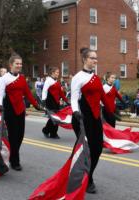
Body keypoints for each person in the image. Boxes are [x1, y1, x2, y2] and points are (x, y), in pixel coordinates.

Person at [71, 47, 112, 194]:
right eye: (92, 58)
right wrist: (76, 112)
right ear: (84, 59)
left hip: (95, 118)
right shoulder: (78, 77)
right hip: (81, 118)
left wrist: (113, 111)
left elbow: (102, 96)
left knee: (98, 149)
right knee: (86, 151)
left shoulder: (95, 77)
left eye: (96, 58)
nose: (95, 60)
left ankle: (88, 175)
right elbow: (74, 98)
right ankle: (86, 179)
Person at [0, 54, 40, 171]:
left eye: (20, 64)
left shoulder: (22, 78)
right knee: (13, 135)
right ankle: (14, 160)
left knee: (20, 135)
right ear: (11, 65)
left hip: (20, 109)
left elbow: (27, 93)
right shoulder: (4, 78)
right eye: (17, 63)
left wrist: (36, 105)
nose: (19, 65)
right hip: (9, 109)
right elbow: (0, 94)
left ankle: (13, 155)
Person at [42, 67, 69, 139]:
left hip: (56, 102)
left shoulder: (56, 81)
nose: (58, 74)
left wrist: (66, 101)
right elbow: (44, 90)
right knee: (53, 118)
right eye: (57, 72)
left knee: (56, 118)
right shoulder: (48, 80)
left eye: (58, 72)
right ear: (53, 73)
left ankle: (52, 133)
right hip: (50, 102)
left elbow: (61, 92)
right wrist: (43, 101)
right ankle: (47, 131)